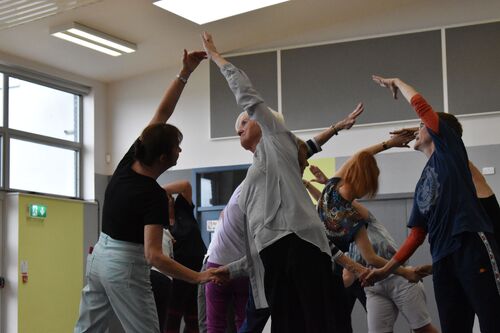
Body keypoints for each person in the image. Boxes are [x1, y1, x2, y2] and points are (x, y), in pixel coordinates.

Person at [202, 32, 368, 333]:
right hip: (274, 258)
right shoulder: (256, 177)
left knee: (317, 324)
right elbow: (256, 239)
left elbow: (250, 98)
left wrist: (216, 57)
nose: (239, 128)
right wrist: (234, 268)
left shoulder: (275, 139)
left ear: (265, 124)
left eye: (245, 122)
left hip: (301, 247)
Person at [74, 50, 224, 333]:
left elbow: (162, 113)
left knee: (87, 330)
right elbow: (154, 255)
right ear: (164, 158)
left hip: (99, 257)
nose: (180, 150)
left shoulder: (128, 162)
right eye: (177, 147)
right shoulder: (153, 195)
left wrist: (185, 73)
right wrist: (198, 276)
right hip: (124, 266)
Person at [363, 76, 500, 333]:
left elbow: (422, 108)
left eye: (420, 126)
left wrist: (398, 82)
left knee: (493, 321)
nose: (416, 130)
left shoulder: (450, 152)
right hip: (443, 259)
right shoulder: (423, 182)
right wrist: (388, 270)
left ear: (437, 132)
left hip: (470, 245)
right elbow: (416, 235)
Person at [305, 135, 436, 333]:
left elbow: (360, 156)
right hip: (379, 278)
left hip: (385, 276)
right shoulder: (351, 217)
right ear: (364, 182)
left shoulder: (331, 188)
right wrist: (405, 271)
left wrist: (388, 144)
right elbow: (371, 258)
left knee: (422, 329)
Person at [163, 180, 207, 333]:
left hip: (198, 273)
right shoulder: (159, 224)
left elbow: (186, 185)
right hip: (177, 277)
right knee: (172, 320)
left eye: (169, 197)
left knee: (195, 319)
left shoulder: (183, 209)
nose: (168, 200)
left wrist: (160, 189)